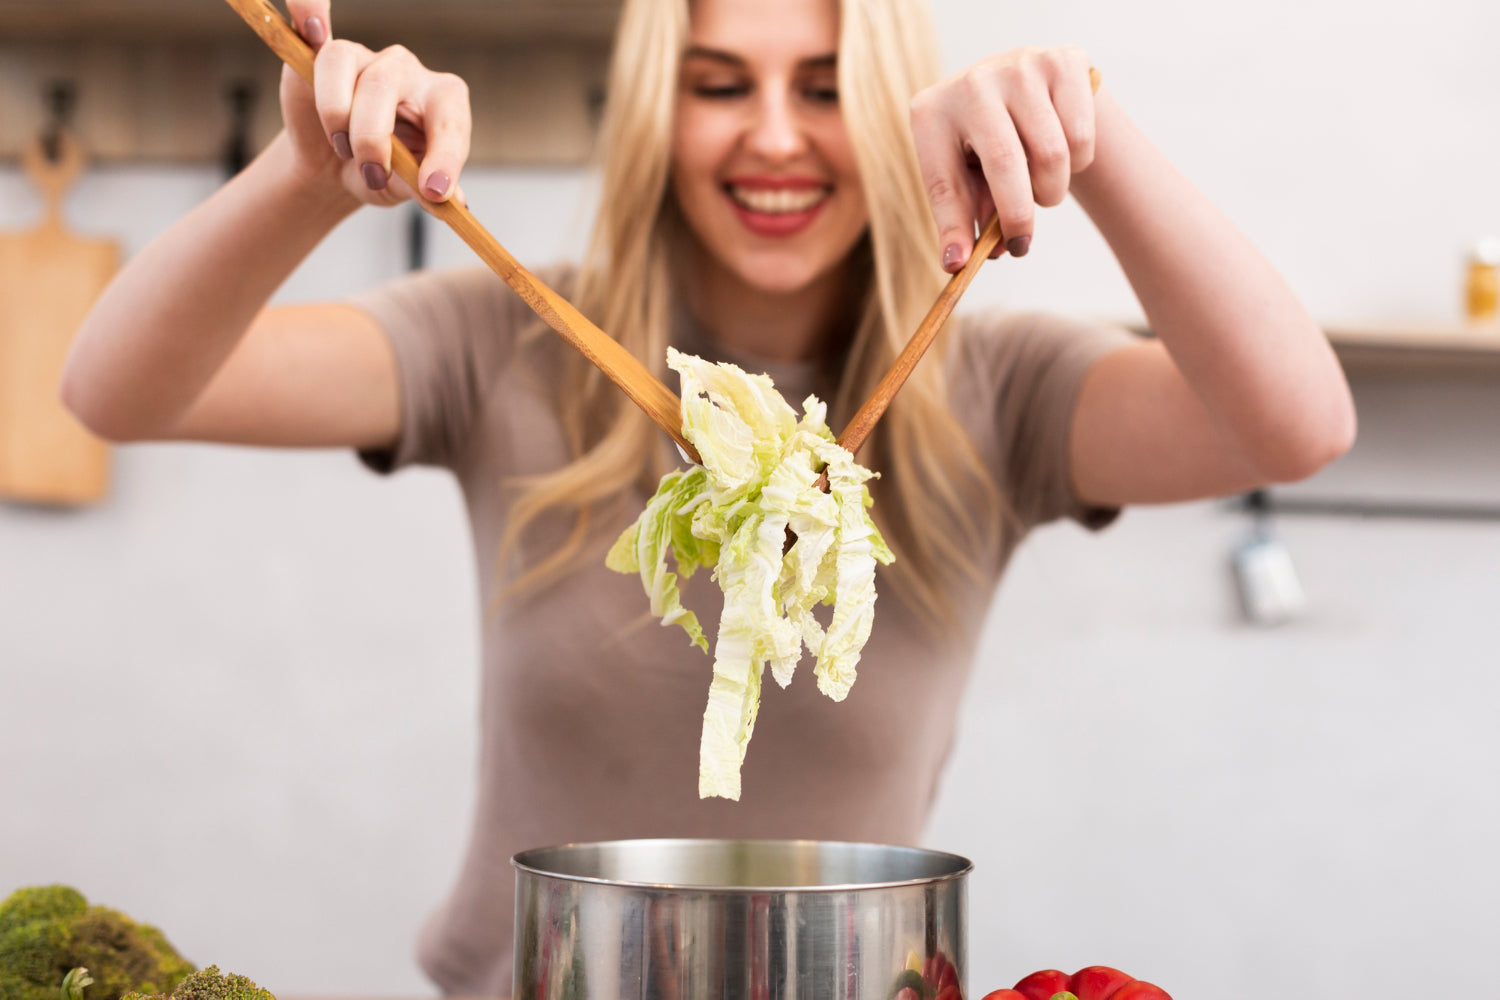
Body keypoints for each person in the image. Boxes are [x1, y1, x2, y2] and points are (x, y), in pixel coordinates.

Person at [61, 0, 1356, 992]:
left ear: (906, 112)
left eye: (828, 88)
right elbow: (116, 391)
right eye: (719, 83)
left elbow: (1298, 424)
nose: (777, 134)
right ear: (648, 111)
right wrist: (301, 175)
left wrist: (1093, 132)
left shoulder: (994, 389)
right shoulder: (499, 342)